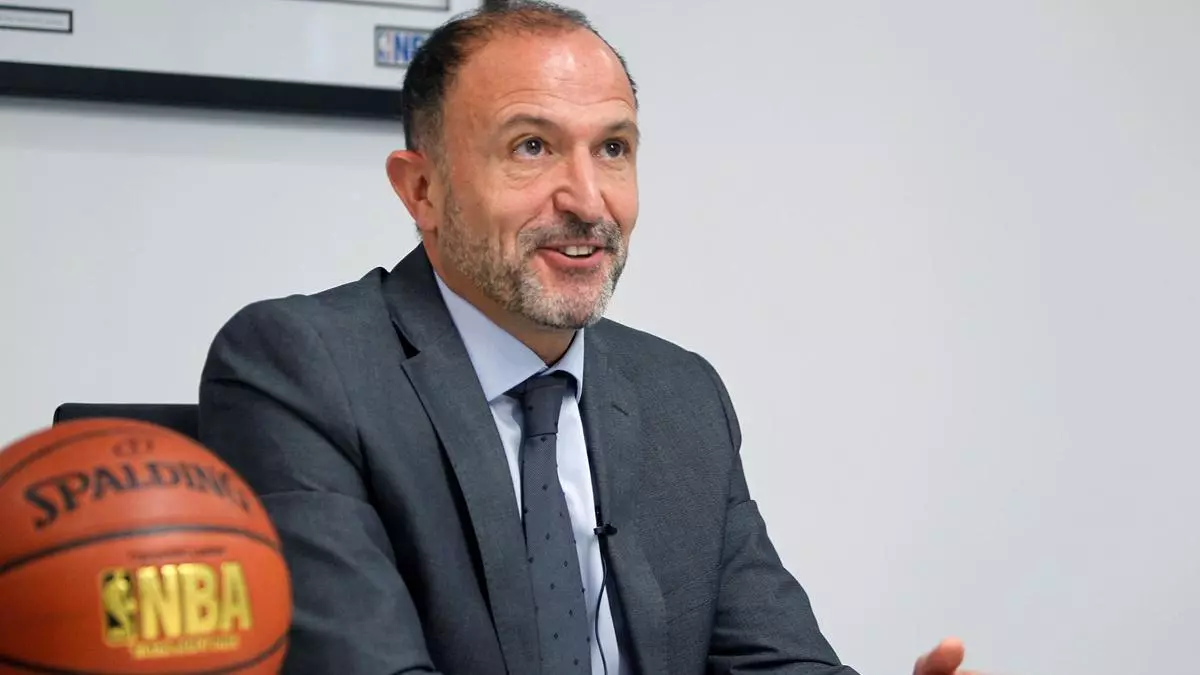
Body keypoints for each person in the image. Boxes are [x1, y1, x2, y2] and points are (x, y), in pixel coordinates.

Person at [198, 2, 983, 674]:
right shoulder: (301, 368)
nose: (587, 199)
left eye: (613, 149)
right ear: (423, 189)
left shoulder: (680, 394)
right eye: (531, 147)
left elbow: (772, 659)